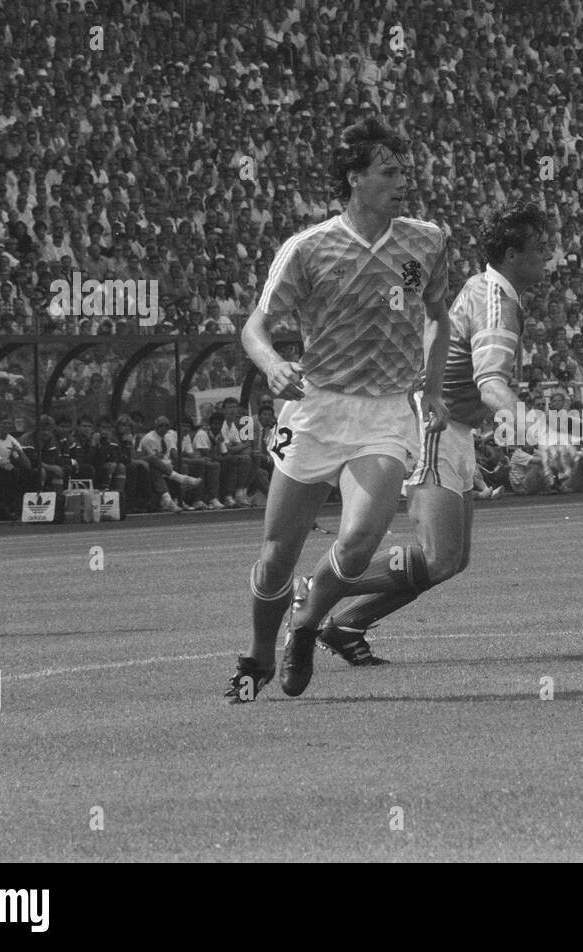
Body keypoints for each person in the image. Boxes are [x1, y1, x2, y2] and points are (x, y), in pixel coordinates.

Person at [227, 116, 451, 703]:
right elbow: (255, 326)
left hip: (385, 415)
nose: (404, 179)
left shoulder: (427, 239)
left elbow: (438, 315)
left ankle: (304, 625)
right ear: (354, 178)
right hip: (315, 410)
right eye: (389, 171)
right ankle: (256, 657)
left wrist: (431, 384)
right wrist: (273, 364)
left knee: (356, 542)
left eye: (404, 169)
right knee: (277, 553)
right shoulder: (308, 248)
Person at [292, 203, 551, 665]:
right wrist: (541, 431)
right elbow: (491, 384)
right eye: (540, 248)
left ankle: (349, 623)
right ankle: (318, 586)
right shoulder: (495, 301)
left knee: (451, 560)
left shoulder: (487, 289)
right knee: (438, 557)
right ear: (512, 254)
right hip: (435, 426)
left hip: (455, 428)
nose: (548, 256)